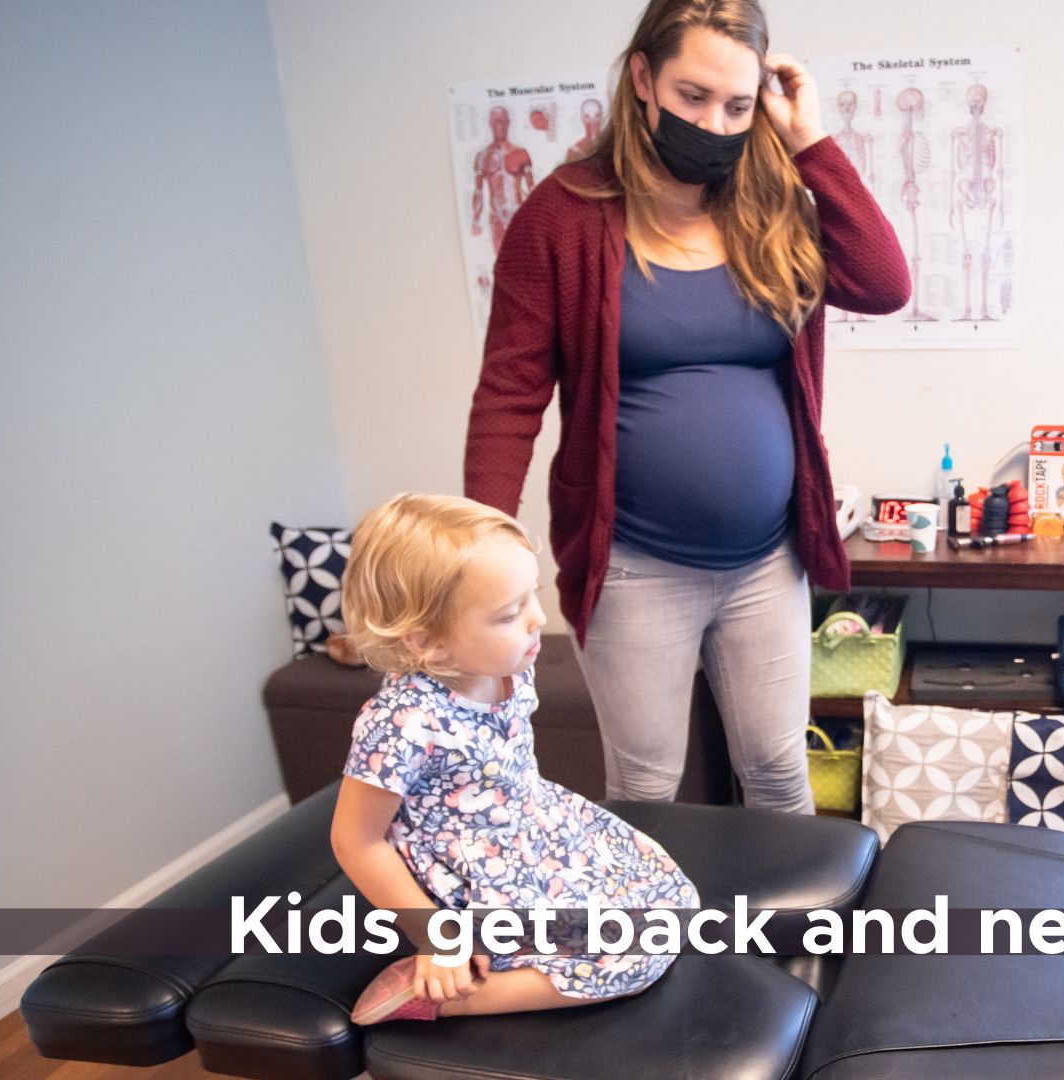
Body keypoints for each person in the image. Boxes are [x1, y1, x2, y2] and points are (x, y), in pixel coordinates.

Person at [464, 0, 909, 812]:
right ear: (643, 77)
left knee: (778, 774)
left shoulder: (771, 207)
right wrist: (479, 560)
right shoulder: (561, 219)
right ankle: (656, 944)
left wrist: (809, 141)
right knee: (644, 787)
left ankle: (793, 945)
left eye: (738, 105)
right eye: (694, 96)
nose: (714, 122)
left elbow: (885, 283)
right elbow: (508, 396)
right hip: (635, 567)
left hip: (767, 563)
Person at [330, 494, 699, 1023]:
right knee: (631, 956)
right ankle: (448, 996)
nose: (538, 620)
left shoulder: (508, 664)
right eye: (510, 613)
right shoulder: (403, 724)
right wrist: (437, 935)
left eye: (532, 596)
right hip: (479, 879)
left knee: (671, 904)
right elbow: (355, 840)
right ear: (429, 644)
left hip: (535, 832)